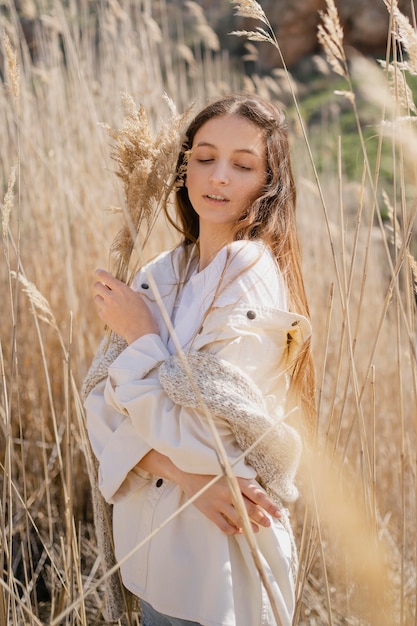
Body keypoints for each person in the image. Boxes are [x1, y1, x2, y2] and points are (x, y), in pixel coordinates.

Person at [83, 93, 316, 626]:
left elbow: (213, 435)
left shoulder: (249, 271)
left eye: (243, 165)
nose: (218, 178)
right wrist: (183, 475)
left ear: (269, 182)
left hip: (219, 564)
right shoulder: (163, 271)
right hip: (152, 553)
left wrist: (144, 340)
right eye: (205, 158)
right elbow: (97, 405)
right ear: (183, 165)